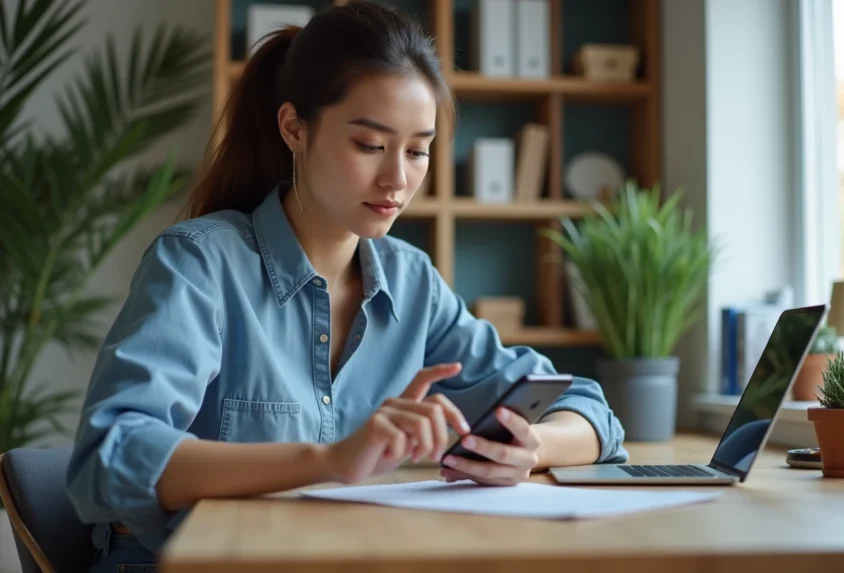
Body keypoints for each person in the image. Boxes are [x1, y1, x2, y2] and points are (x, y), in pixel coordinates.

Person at [65, 2, 628, 571]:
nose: (397, 179)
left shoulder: (412, 284)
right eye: (370, 145)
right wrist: (330, 459)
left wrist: (534, 449)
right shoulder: (200, 263)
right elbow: (110, 458)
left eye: (417, 150)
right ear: (294, 128)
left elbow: (585, 405)